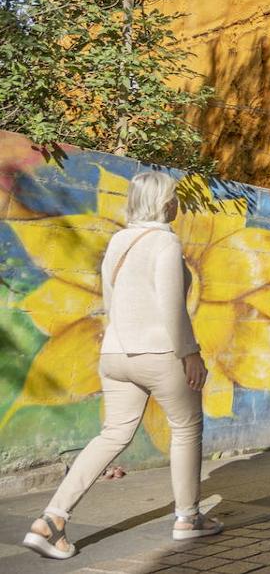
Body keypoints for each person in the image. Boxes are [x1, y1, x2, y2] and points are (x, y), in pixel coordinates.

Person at [23, 172, 223, 560]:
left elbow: (113, 303)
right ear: (165, 203)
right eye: (175, 198)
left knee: (113, 435)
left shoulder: (118, 241)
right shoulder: (166, 242)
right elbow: (171, 305)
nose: (177, 204)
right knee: (185, 428)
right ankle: (188, 518)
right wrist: (190, 352)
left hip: (115, 354)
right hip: (160, 353)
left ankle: (51, 520)